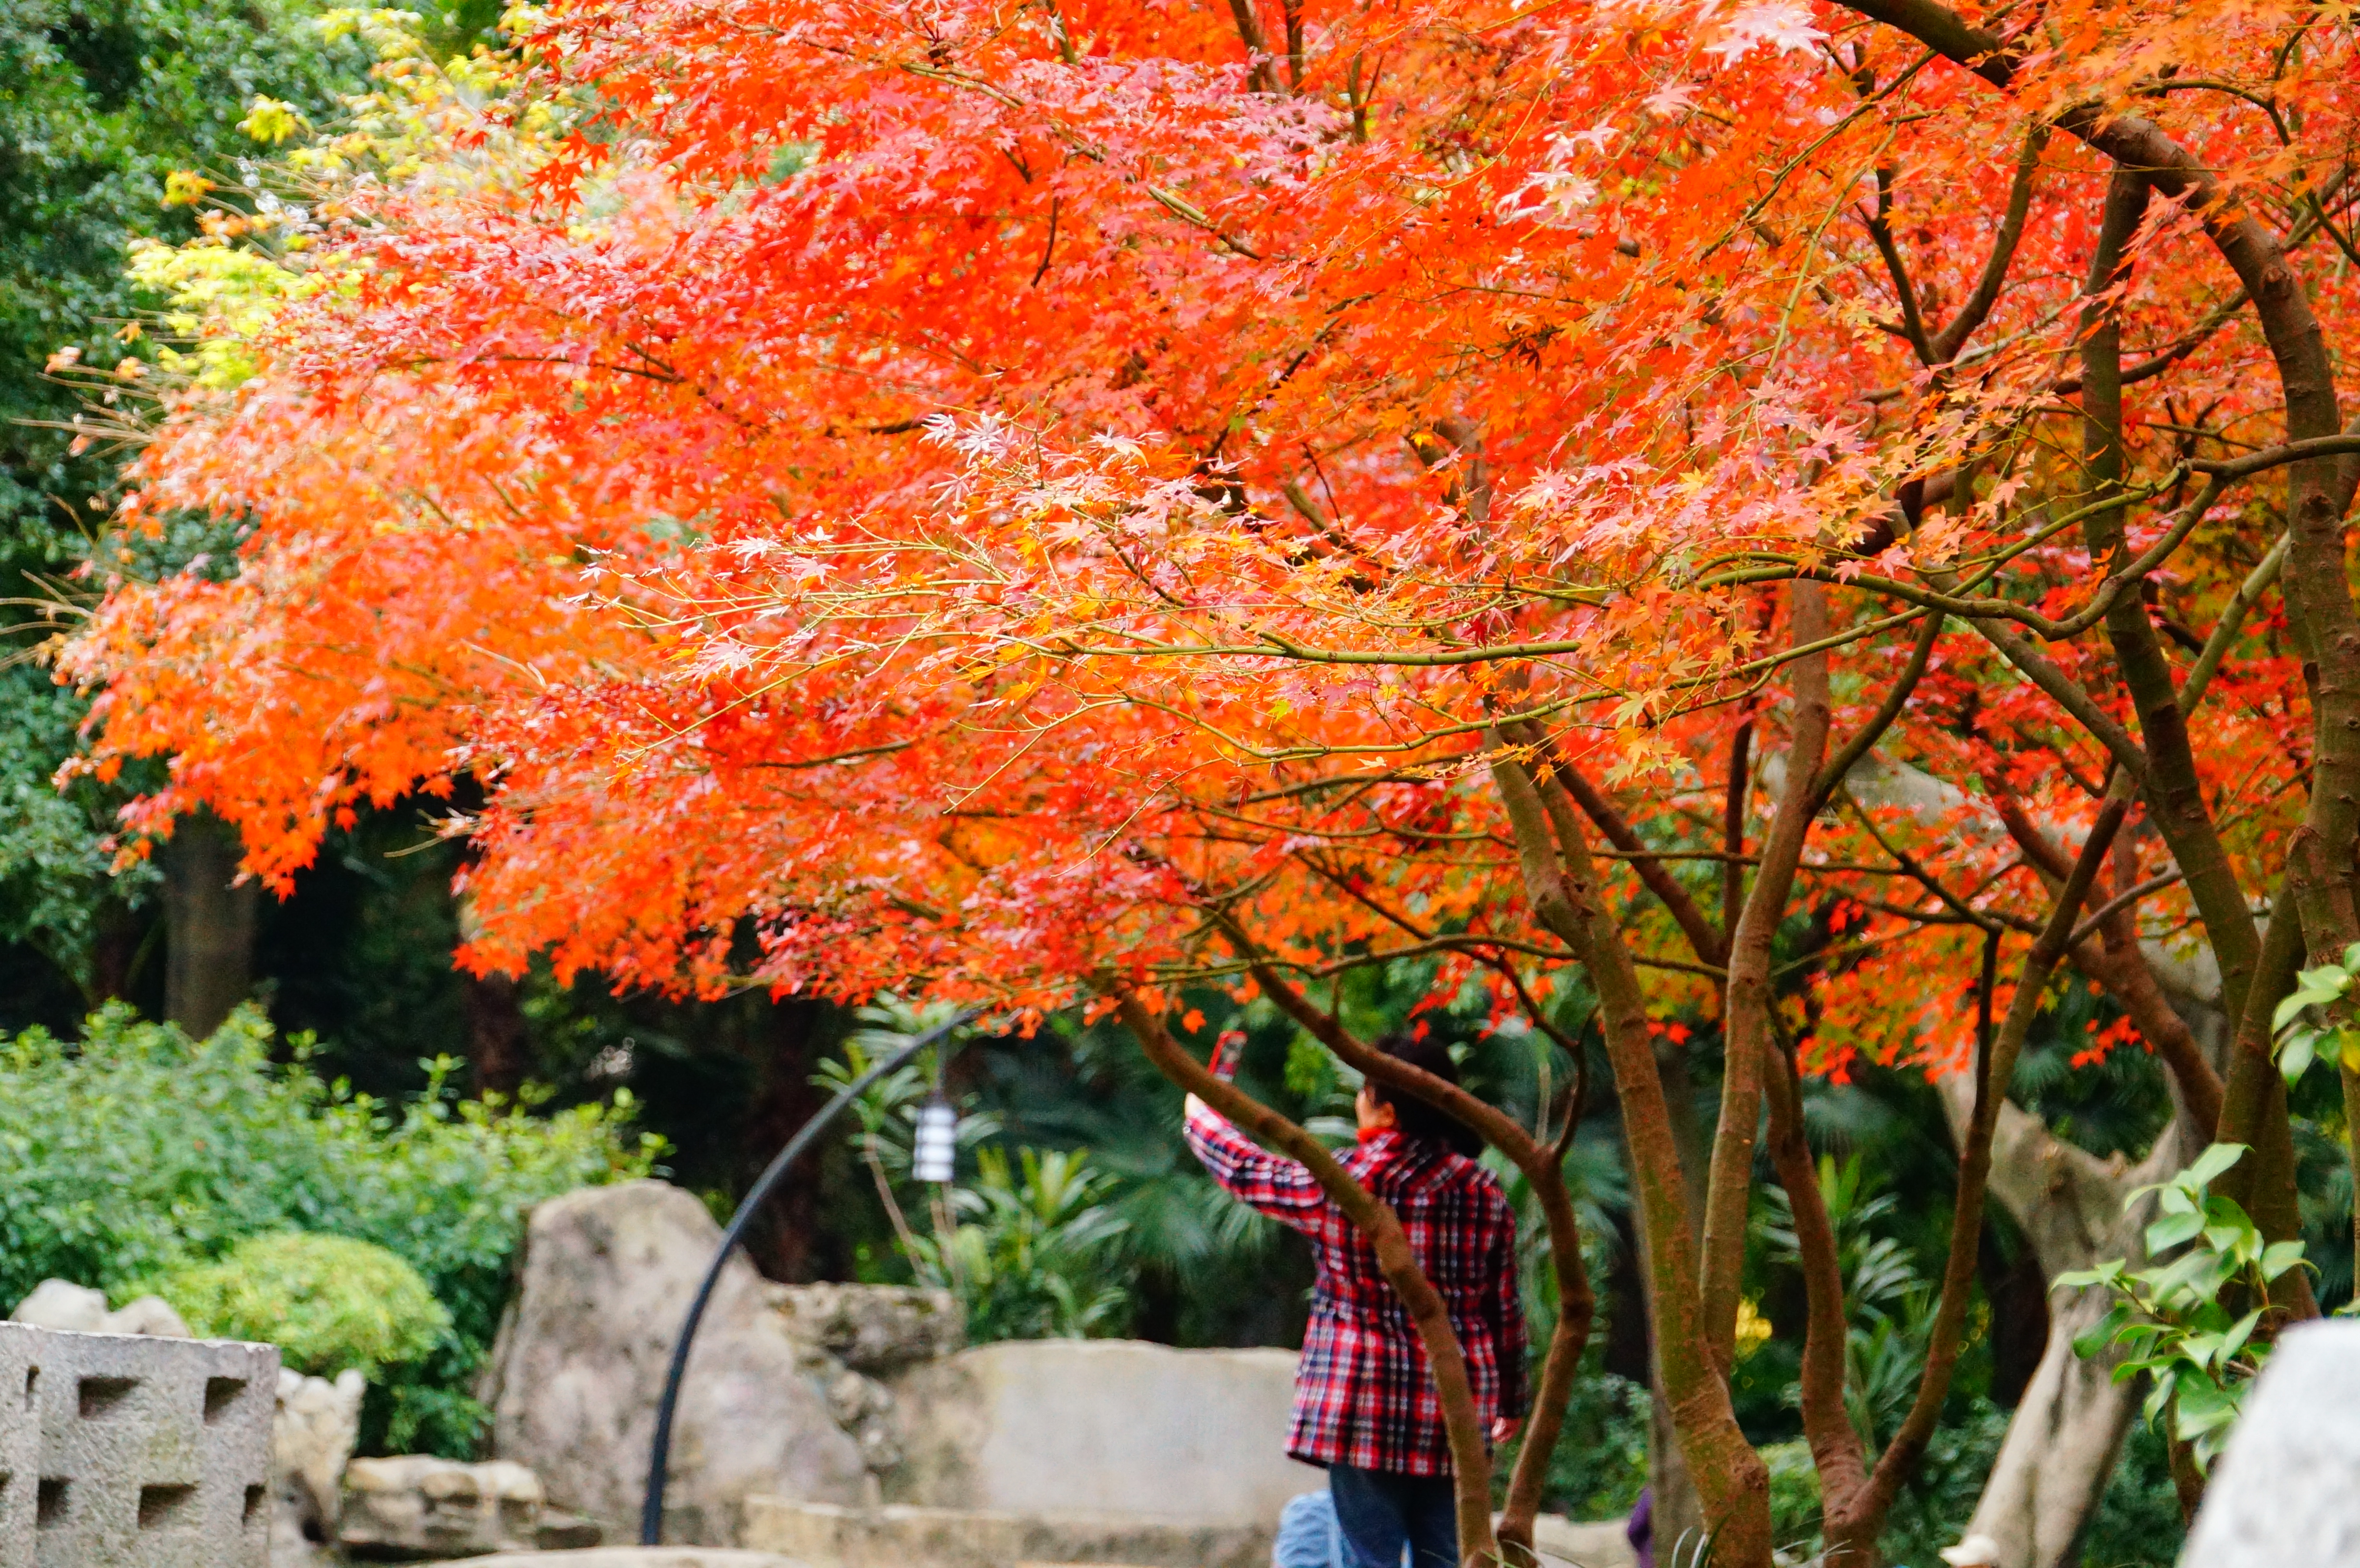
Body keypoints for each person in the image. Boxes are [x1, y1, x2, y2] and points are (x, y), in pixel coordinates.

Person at [1187, 1032, 1526, 1568]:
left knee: (1367, 1560)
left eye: (1364, 1093)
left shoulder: (1344, 1182)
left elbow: (1246, 1169)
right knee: (1448, 1557)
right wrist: (1510, 1399)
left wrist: (1202, 1111)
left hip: (1362, 1403)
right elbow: (1502, 1310)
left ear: (1386, 1112)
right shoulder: (1484, 1192)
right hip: (1456, 1410)